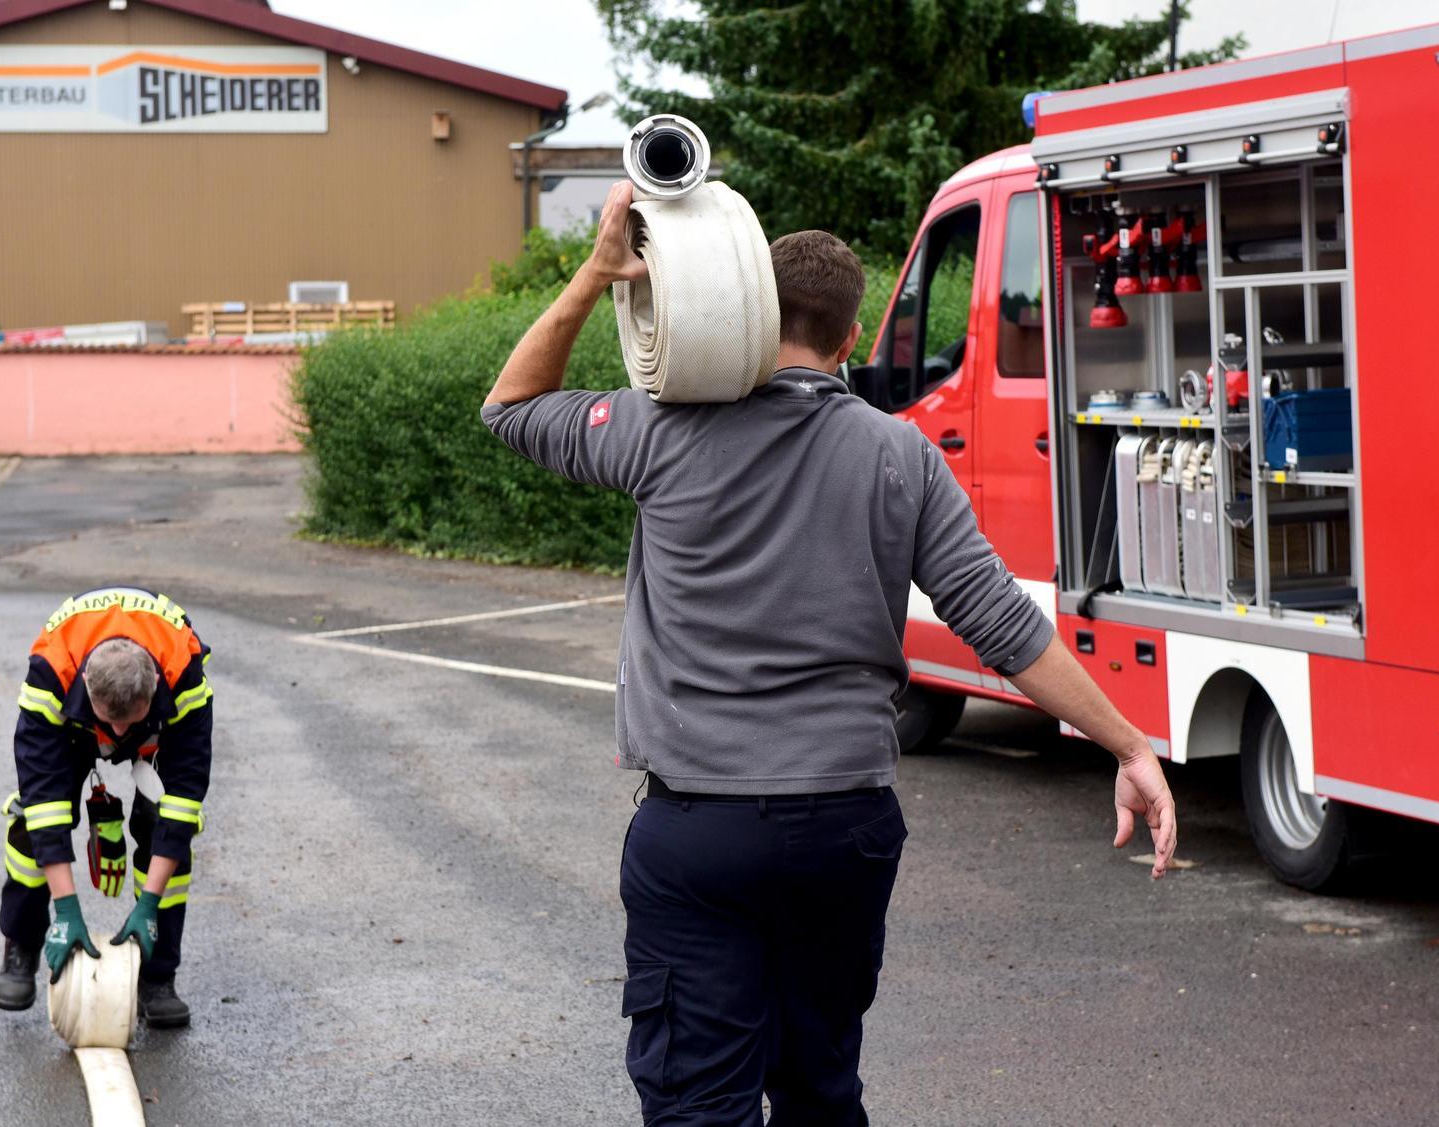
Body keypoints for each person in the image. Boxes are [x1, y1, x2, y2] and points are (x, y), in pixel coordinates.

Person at [482, 181, 1177, 1126]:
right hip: (842, 831)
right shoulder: (900, 454)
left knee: (699, 1102)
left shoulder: (658, 427)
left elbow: (512, 406)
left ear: (750, 309)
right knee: (820, 1087)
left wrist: (599, 269)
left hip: (699, 833)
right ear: (851, 340)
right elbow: (1000, 623)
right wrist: (1128, 745)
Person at [0, 586, 212, 1029]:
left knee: (162, 823)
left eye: (128, 720)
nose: (117, 732)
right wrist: (67, 909)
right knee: (28, 832)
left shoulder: (181, 670)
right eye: (110, 720)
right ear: (87, 683)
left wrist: (149, 904)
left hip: (156, 732)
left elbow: (184, 802)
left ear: (154, 687)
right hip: (72, 731)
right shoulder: (53, 671)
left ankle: (157, 976)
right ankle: (22, 943)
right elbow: (44, 803)